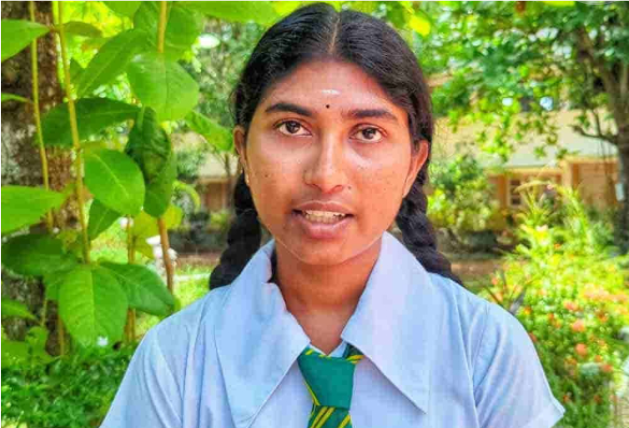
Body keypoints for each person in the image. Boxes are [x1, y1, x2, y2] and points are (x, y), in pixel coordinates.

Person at [100, 3, 566, 427]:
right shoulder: (176, 362)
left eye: (367, 132)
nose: (325, 175)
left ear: (413, 164)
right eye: (292, 127)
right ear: (243, 151)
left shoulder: (486, 354)